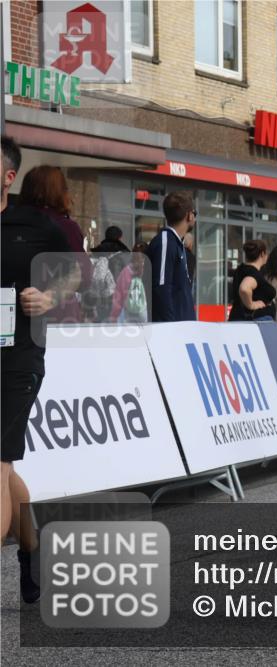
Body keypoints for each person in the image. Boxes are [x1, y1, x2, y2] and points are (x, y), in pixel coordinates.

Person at [1, 136, 77, 604]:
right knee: (4, 466)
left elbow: (81, 275)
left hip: (17, 358)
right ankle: (33, 551)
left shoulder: (35, 225)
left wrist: (49, 296)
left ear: (8, 175)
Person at [17, 166, 93, 324]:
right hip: (58, 316)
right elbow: (84, 277)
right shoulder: (64, 226)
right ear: (60, 192)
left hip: (15, 316)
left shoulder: (13, 222)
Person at [147, 191, 196, 322]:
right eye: (195, 214)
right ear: (189, 215)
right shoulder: (166, 242)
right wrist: (171, 328)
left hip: (182, 326)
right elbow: (161, 287)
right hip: (173, 329)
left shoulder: (176, 243)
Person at [229, 239, 276, 322]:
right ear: (262, 254)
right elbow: (244, 288)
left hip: (238, 318)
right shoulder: (252, 272)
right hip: (255, 321)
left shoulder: (241, 270)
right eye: (266, 253)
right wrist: (251, 304)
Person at [110, 243, 150, 323]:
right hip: (145, 314)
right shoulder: (150, 271)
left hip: (127, 314)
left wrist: (114, 316)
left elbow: (118, 296)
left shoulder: (125, 272)